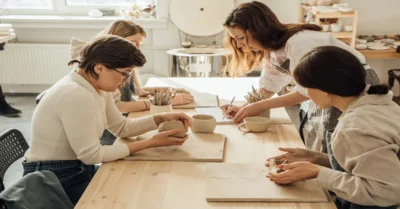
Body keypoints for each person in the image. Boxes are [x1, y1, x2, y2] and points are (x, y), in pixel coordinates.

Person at [22, 35, 192, 205]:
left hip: (76, 168)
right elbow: (92, 155)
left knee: (144, 184)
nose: (125, 81)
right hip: (53, 177)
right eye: (124, 74)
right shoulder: (77, 95)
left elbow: (121, 127)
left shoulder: (97, 87)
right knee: (134, 199)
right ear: (99, 68)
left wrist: (160, 118)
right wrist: (151, 143)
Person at [220, 1, 380, 152]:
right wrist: (245, 107)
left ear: (258, 29)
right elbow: (269, 85)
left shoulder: (298, 42)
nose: (239, 45)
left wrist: (260, 106)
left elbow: (305, 91)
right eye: (235, 40)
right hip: (327, 91)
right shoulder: (272, 50)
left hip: (352, 85)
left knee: (341, 142)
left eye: (240, 38)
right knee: (324, 141)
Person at [266, 46, 400, 209]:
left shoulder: (353, 127)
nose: (306, 94)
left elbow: (386, 191)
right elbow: (372, 164)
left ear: (325, 89)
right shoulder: (380, 104)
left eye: (306, 87)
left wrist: (317, 172)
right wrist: (316, 158)